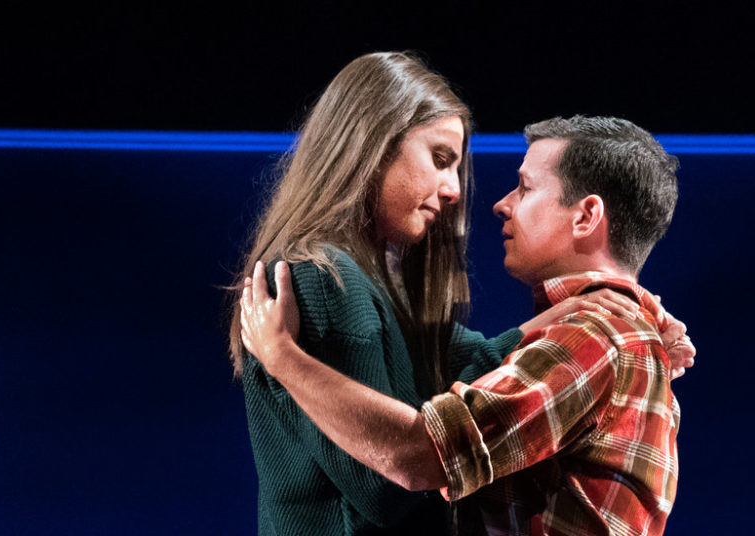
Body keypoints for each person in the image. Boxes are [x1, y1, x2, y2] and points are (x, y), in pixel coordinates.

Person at [228, 53, 693, 536]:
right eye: (440, 159)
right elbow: (391, 479)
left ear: (586, 216)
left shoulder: (596, 337)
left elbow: (455, 371)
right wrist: (281, 357)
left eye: (524, 188)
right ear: (373, 144)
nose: (457, 191)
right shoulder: (323, 278)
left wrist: (591, 314)